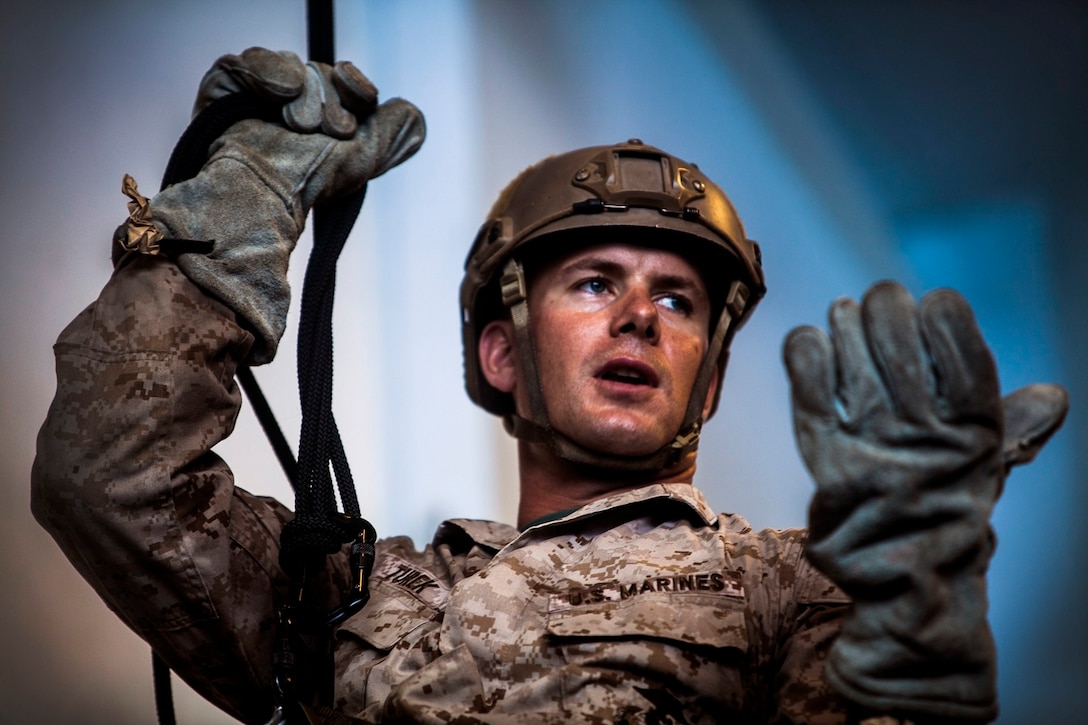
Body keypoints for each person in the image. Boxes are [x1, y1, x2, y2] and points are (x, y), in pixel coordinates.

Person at [31, 49, 1067, 725]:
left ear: (703, 384)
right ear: (500, 354)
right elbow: (108, 475)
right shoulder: (349, 595)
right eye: (593, 282)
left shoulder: (790, 585)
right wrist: (229, 228)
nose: (638, 317)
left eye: (678, 301)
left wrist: (911, 616)